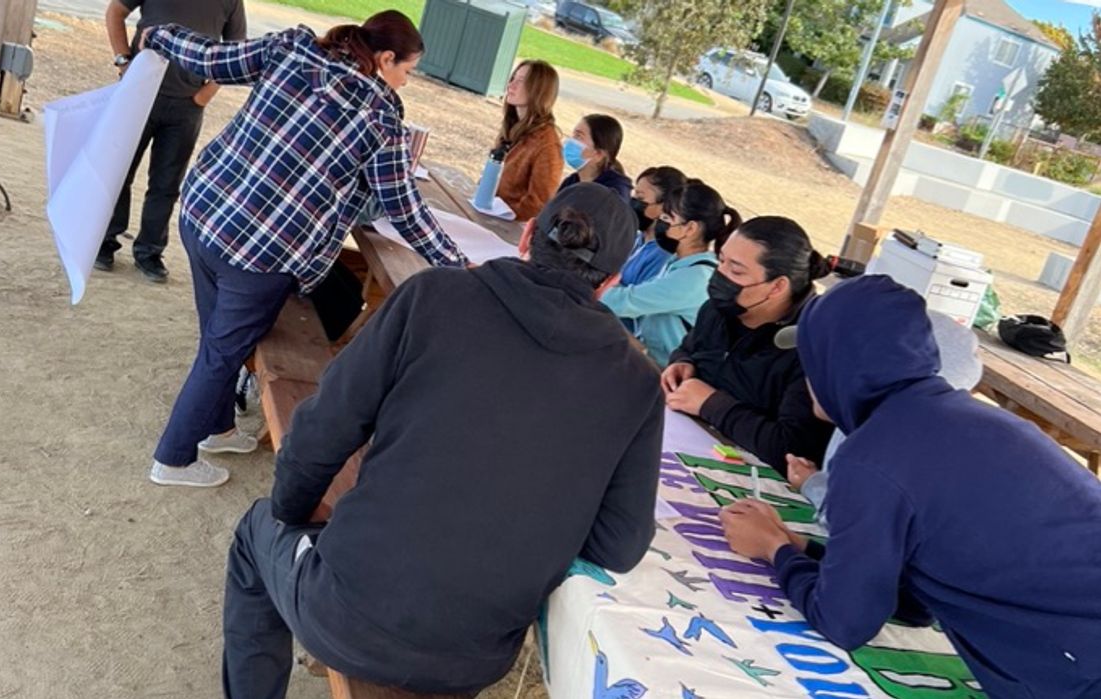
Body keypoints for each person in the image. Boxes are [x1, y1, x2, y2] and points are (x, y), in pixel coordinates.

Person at [222, 183, 663, 698]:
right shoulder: (637, 380)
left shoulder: (434, 295)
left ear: (526, 236)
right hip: (476, 655)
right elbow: (619, 545)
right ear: (609, 282)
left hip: (350, 612)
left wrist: (293, 514)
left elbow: (321, 430)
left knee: (258, 531)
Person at [720, 275, 1101, 698]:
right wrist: (802, 548)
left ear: (838, 365)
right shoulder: (972, 419)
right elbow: (917, 599)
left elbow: (844, 623)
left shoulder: (872, 456)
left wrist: (775, 550)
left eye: (811, 360)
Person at [140, 11, 468, 488]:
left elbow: (211, 57)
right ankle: (173, 460)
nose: (404, 83)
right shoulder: (380, 115)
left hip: (206, 210)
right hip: (264, 252)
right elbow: (406, 210)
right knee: (222, 351)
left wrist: (159, 35)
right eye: (407, 72)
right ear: (385, 58)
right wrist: (458, 265)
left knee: (216, 336)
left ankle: (216, 428)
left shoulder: (293, 49)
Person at [660, 216, 833, 475]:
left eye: (736, 271)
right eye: (722, 261)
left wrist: (712, 404)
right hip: (681, 447)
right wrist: (682, 362)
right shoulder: (718, 310)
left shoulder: (809, 347)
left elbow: (793, 449)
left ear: (777, 287)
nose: (721, 275)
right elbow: (691, 347)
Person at [94, 0, 247, 282]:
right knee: (119, 171)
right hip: (139, 94)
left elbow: (236, 49)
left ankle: (150, 251)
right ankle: (105, 240)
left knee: (167, 183)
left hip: (186, 106)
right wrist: (123, 61)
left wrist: (207, 93)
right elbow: (116, 11)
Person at [786, 310, 983, 527]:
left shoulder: (907, 448)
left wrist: (778, 548)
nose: (811, 371)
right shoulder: (862, 412)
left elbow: (861, 524)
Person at [601, 181, 739, 367]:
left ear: (690, 228)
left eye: (667, 218)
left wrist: (591, 280)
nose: (660, 223)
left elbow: (624, 302)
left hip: (664, 372)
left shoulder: (694, 278)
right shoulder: (680, 264)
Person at [494, 59, 563, 221]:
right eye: (513, 79)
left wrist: (501, 214)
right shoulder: (513, 127)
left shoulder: (547, 144)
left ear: (539, 90)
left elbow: (538, 205)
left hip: (509, 228)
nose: (511, 86)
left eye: (521, 81)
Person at [618, 166, 688, 289]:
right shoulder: (637, 238)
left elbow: (637, 299)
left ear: (665, 206)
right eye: (633, 196)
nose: (633, 202)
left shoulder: (663, 254)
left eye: (640, 198)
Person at [557, 113, 631, 200]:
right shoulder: (571, 182)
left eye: (579, 136)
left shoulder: (612, 194)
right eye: (573, 135)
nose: (570, 141)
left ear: (598, 154)